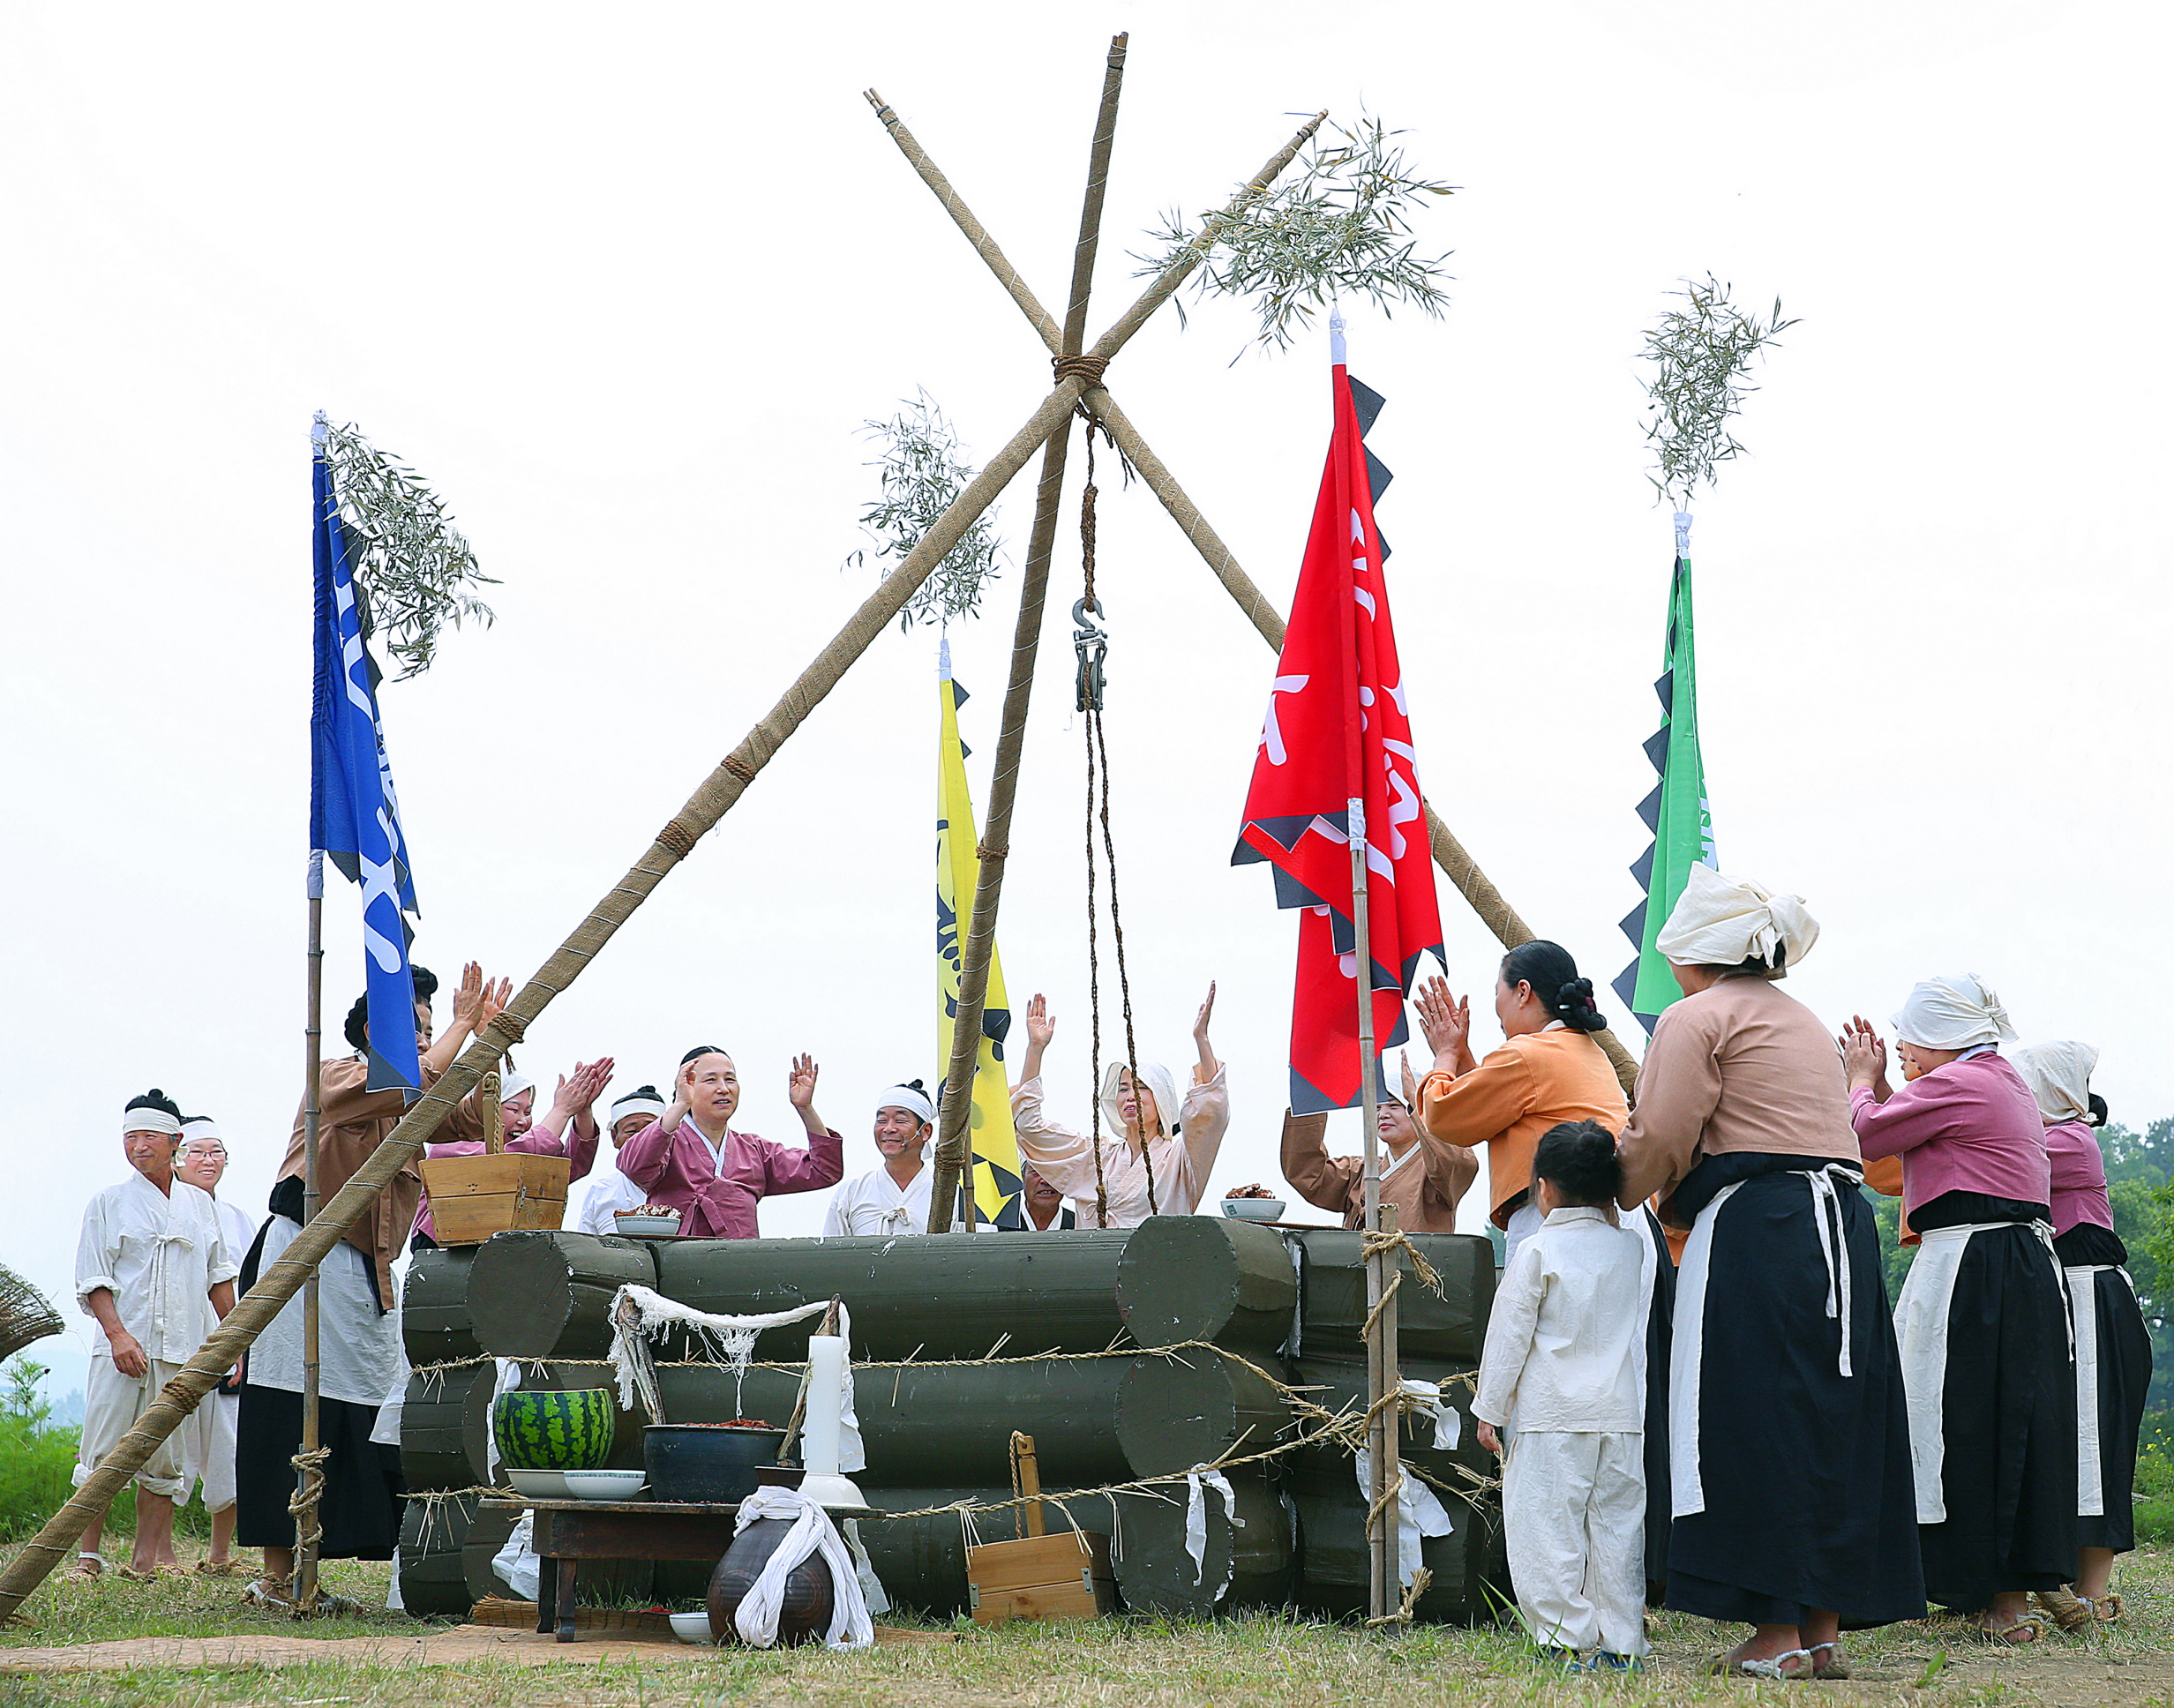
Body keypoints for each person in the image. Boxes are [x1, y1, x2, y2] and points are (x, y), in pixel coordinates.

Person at [1616, 865, 1921, 1681]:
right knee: (1831, 1412)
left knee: (1752, 1414)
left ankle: (1773, 1633)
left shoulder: (1694, 1017)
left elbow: (1661, 1139)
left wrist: (1612, 1189)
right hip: (1843, 1225)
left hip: (1761, 1225)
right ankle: (1820, 1627)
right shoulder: (1805, 1021)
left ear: (1690, 954)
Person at [236, 962, 497, 1609]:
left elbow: (462, 1120)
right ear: (371, 1030)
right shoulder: (338, 1078)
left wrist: (489, 1045)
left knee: (367, 1414)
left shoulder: (410, 1103)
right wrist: (464, 1026)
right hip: (306, 1260)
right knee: (290, 1407)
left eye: (431, 1028)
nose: (429, 1037)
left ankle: (315, 1571)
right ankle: (277, 1575)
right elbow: (407, 1084)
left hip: (368, 1278)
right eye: (416, 1027)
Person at [1843, 974, 2077, 1644]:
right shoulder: (1994, 1080)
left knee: (1971, 1421)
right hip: (2008, 1264)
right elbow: (1910, 1127)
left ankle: (1998, 1596)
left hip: (1979, 1268)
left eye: (1910, 1039)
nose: (1901, 1049)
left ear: (1941, 1039)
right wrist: (1886, 1087)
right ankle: (1979, 1584)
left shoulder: (1962, 1084)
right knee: (1993, 1418)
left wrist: (1861, 1078)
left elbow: (1868, 1134)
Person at [1473, 1120, 1650, 1670]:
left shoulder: (1534, 1250)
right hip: (1621, 1415)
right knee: (1618, 1535)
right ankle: (1622, 1643)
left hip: (1551, 1415)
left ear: (1543, 1187)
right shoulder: (1631, 1249)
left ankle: (1563, 1639)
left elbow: (1508, 1337)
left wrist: (1489, 1411)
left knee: (1546, 1531)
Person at [2010, 1042, 2149, 1629]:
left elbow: (1993, 1154)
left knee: (2091, 1444)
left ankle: (2089, 1593)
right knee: (2069, 1440)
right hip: (2069, 1298)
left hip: (2090, 1297)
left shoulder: (2064, 1141)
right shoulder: (2057, 1138)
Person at [71, 1090, 238, 1580]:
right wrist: (119, 1336)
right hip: (122, 1349)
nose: (139, 1147)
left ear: (175, 1143)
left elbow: (219, 1278)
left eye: (149, 1137)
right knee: (101, 1452)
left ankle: (145, 1562)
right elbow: (93, 1278)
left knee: (165, 1460)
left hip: (182, 1350)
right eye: (131, 1138)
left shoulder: (199, 1206)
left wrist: (235, 1342)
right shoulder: (108, 1202)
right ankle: (88, 1557)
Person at [1413, 942, 1628, 1267]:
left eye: (1498, 991)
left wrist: (1445, 1054)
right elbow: (1489, 1106)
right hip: (1610, 1219)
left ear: (1523, 992)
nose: (1496, 1006)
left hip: (1555, 1218)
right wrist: (1462, 1055)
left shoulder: (1527, 1054)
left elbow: (1444, 1114)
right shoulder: (1587, 1051)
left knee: (1529, 1316)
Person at [1009, 984, 1226, 1228]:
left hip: (1156, 1264)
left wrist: (1202, 1040)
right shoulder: (1096, 1158)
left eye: (1141, 1087)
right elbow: (1030, 1127)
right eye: (1123, 1089)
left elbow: (1209, 1113)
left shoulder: (1180, 1161)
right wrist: (1035, 1049)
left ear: (1162, 1099)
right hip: (1095, 1265)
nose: (1130, 1096)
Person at [615, 1046, 843, 1238]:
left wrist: (805, 1108)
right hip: (674, 1263)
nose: (723, 1088)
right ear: (688, 1085)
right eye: (711, 1080)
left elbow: (824, 1170)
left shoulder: (755, 1150)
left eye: (730, 1079)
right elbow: (636, 1167)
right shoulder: (668, 1138)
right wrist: (680, 1104)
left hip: (739, 1265)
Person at [1251, 1054, 1476, 1232]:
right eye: (1376, 1107)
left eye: (1394, 1106)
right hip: (1361, 1280)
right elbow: (1308, 1173)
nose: (1383, 1114)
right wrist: (1310, 1099)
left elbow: (1458, 1162)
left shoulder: (1439, 1171)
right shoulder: (1363, 1171)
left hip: (1414, 1279)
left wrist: (1418, 1105)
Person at [174, 1117, 258, 1577]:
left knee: (229, 1448)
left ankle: (220, 1552)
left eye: (216, 1151)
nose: (208, 1160)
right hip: (177, 1343)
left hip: (228, 1347)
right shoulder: (170, 1212)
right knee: (168, 1448)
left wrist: (240, 1345)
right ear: (178, 1157)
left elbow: (247, 1284)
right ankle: (154, 1553)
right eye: (198, 1151)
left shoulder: (238, 1219)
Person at [410, 1060, 611, 1248]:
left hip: (504, 1247)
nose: (523, 1121)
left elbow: (567, 1169)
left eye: (528, 1112)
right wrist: (562, 1111)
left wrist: (582, 1110)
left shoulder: (524, 1147)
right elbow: (506, 1162)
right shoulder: (451, 1142)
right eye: (514, 1109)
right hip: (443, 1245)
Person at [823, 1081, 961, 1236]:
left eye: (900, 1121)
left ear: (926, 1131)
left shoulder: (950, 1191)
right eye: (882, 1121)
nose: (888, 1129)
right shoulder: (852, 1193)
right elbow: (831, 1255)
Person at [573, 1084, 668, 1235]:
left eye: (650, 1133)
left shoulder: (686, 1184)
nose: (641, 1141)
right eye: (631, 1132)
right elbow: (586, 1247)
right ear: (614, 1137)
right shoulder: (601, 1192)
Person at [995, 1159, 1076, 1231]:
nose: (1045, 1181)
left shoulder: (1079, 1226)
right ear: (1022, 1178)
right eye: (1035, 1171)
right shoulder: (999, 1226)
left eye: (1054, 1172)